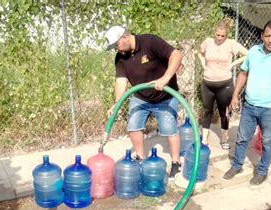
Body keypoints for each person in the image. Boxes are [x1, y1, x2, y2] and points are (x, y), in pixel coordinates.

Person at [223, 20, 271, 185]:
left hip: (270, 109)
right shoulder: (254, 52)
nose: (270, 40)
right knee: (242, 138)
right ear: (262, 36)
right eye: (267, 36)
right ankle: (237, 165)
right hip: (249, 106)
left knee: (267, 142)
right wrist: (235, 95)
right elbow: (243, 73)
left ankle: (262, 171)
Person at [104, 26, 183, 179]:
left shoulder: (150, 41)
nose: (116, 50)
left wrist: (165, 78)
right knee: (133, 125)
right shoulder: (120, 57)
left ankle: (175, 163)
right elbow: (121, 81)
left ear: (124, 37)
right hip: (140, 97)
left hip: (165, 96)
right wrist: (117, 103)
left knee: (169, 128)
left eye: (116, 45)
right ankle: (141, 158)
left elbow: (177, 55)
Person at [198, 19, 248, 150]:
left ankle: (224, 138)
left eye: (223, 36)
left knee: (223, 112)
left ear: (226, 35)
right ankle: (204, 139)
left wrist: (232, 64)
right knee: (207, 111)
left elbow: (247, 54)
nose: (219, 38)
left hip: (224, 84)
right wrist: (204, 65)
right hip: (207, 83)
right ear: (214, 33)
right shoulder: (208, 42)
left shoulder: (231, 44)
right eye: (217, 35)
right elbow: (199, 53)